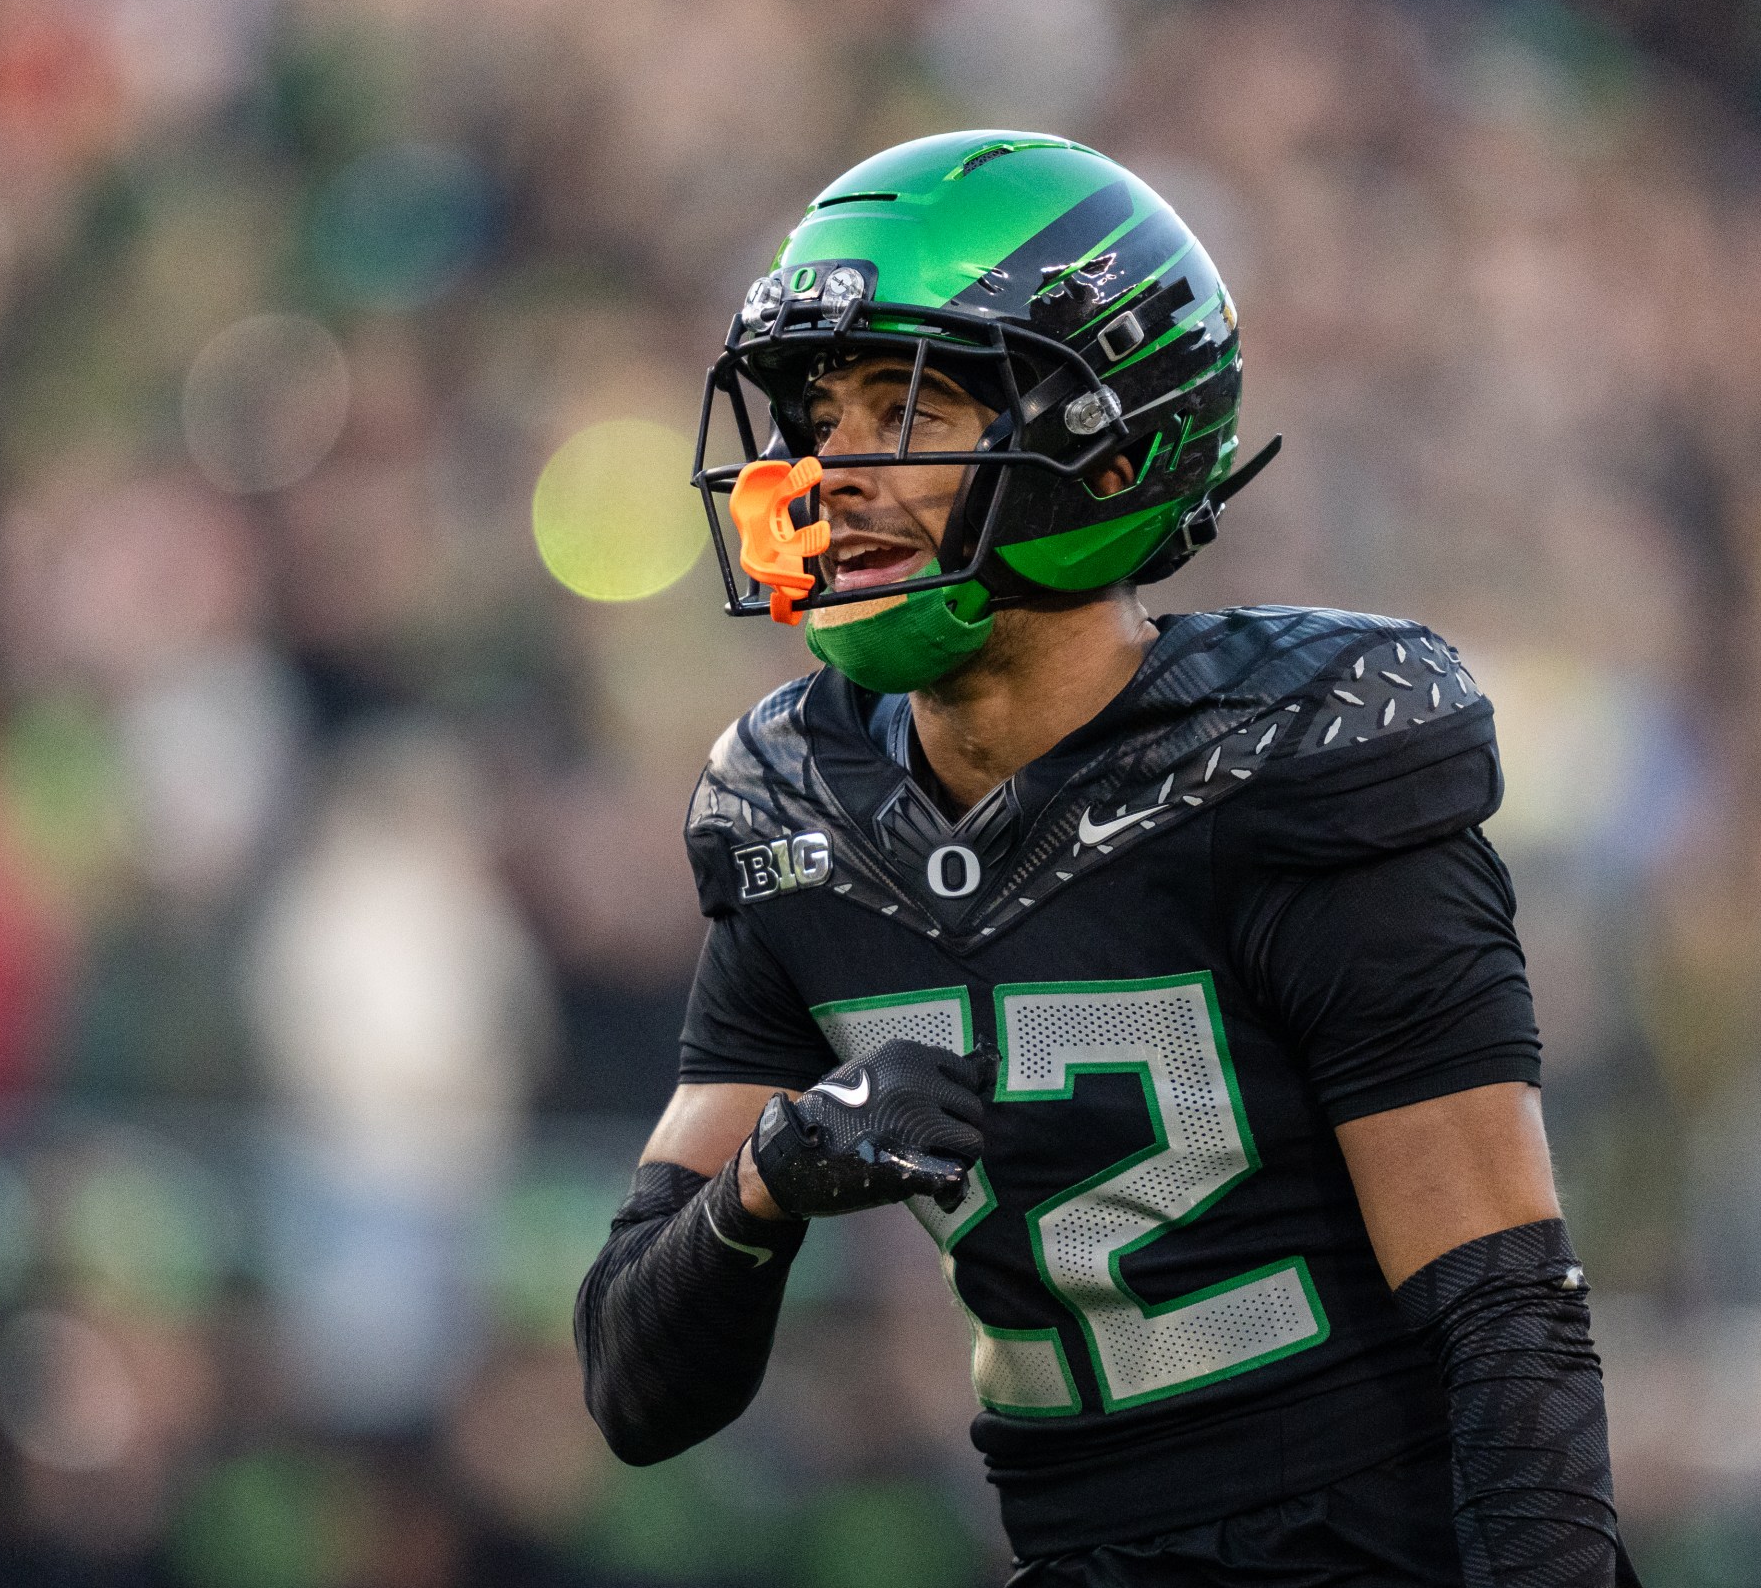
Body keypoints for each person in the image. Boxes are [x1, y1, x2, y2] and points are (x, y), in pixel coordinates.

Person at [575, 131, 1635, 1588]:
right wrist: (768, 1181)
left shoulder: (1296, 768)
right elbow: (636, 1390)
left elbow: (1504, 1313)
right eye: (823, 417)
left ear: (1106, 442)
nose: (836, 474)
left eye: (908, 411)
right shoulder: (795, 811)